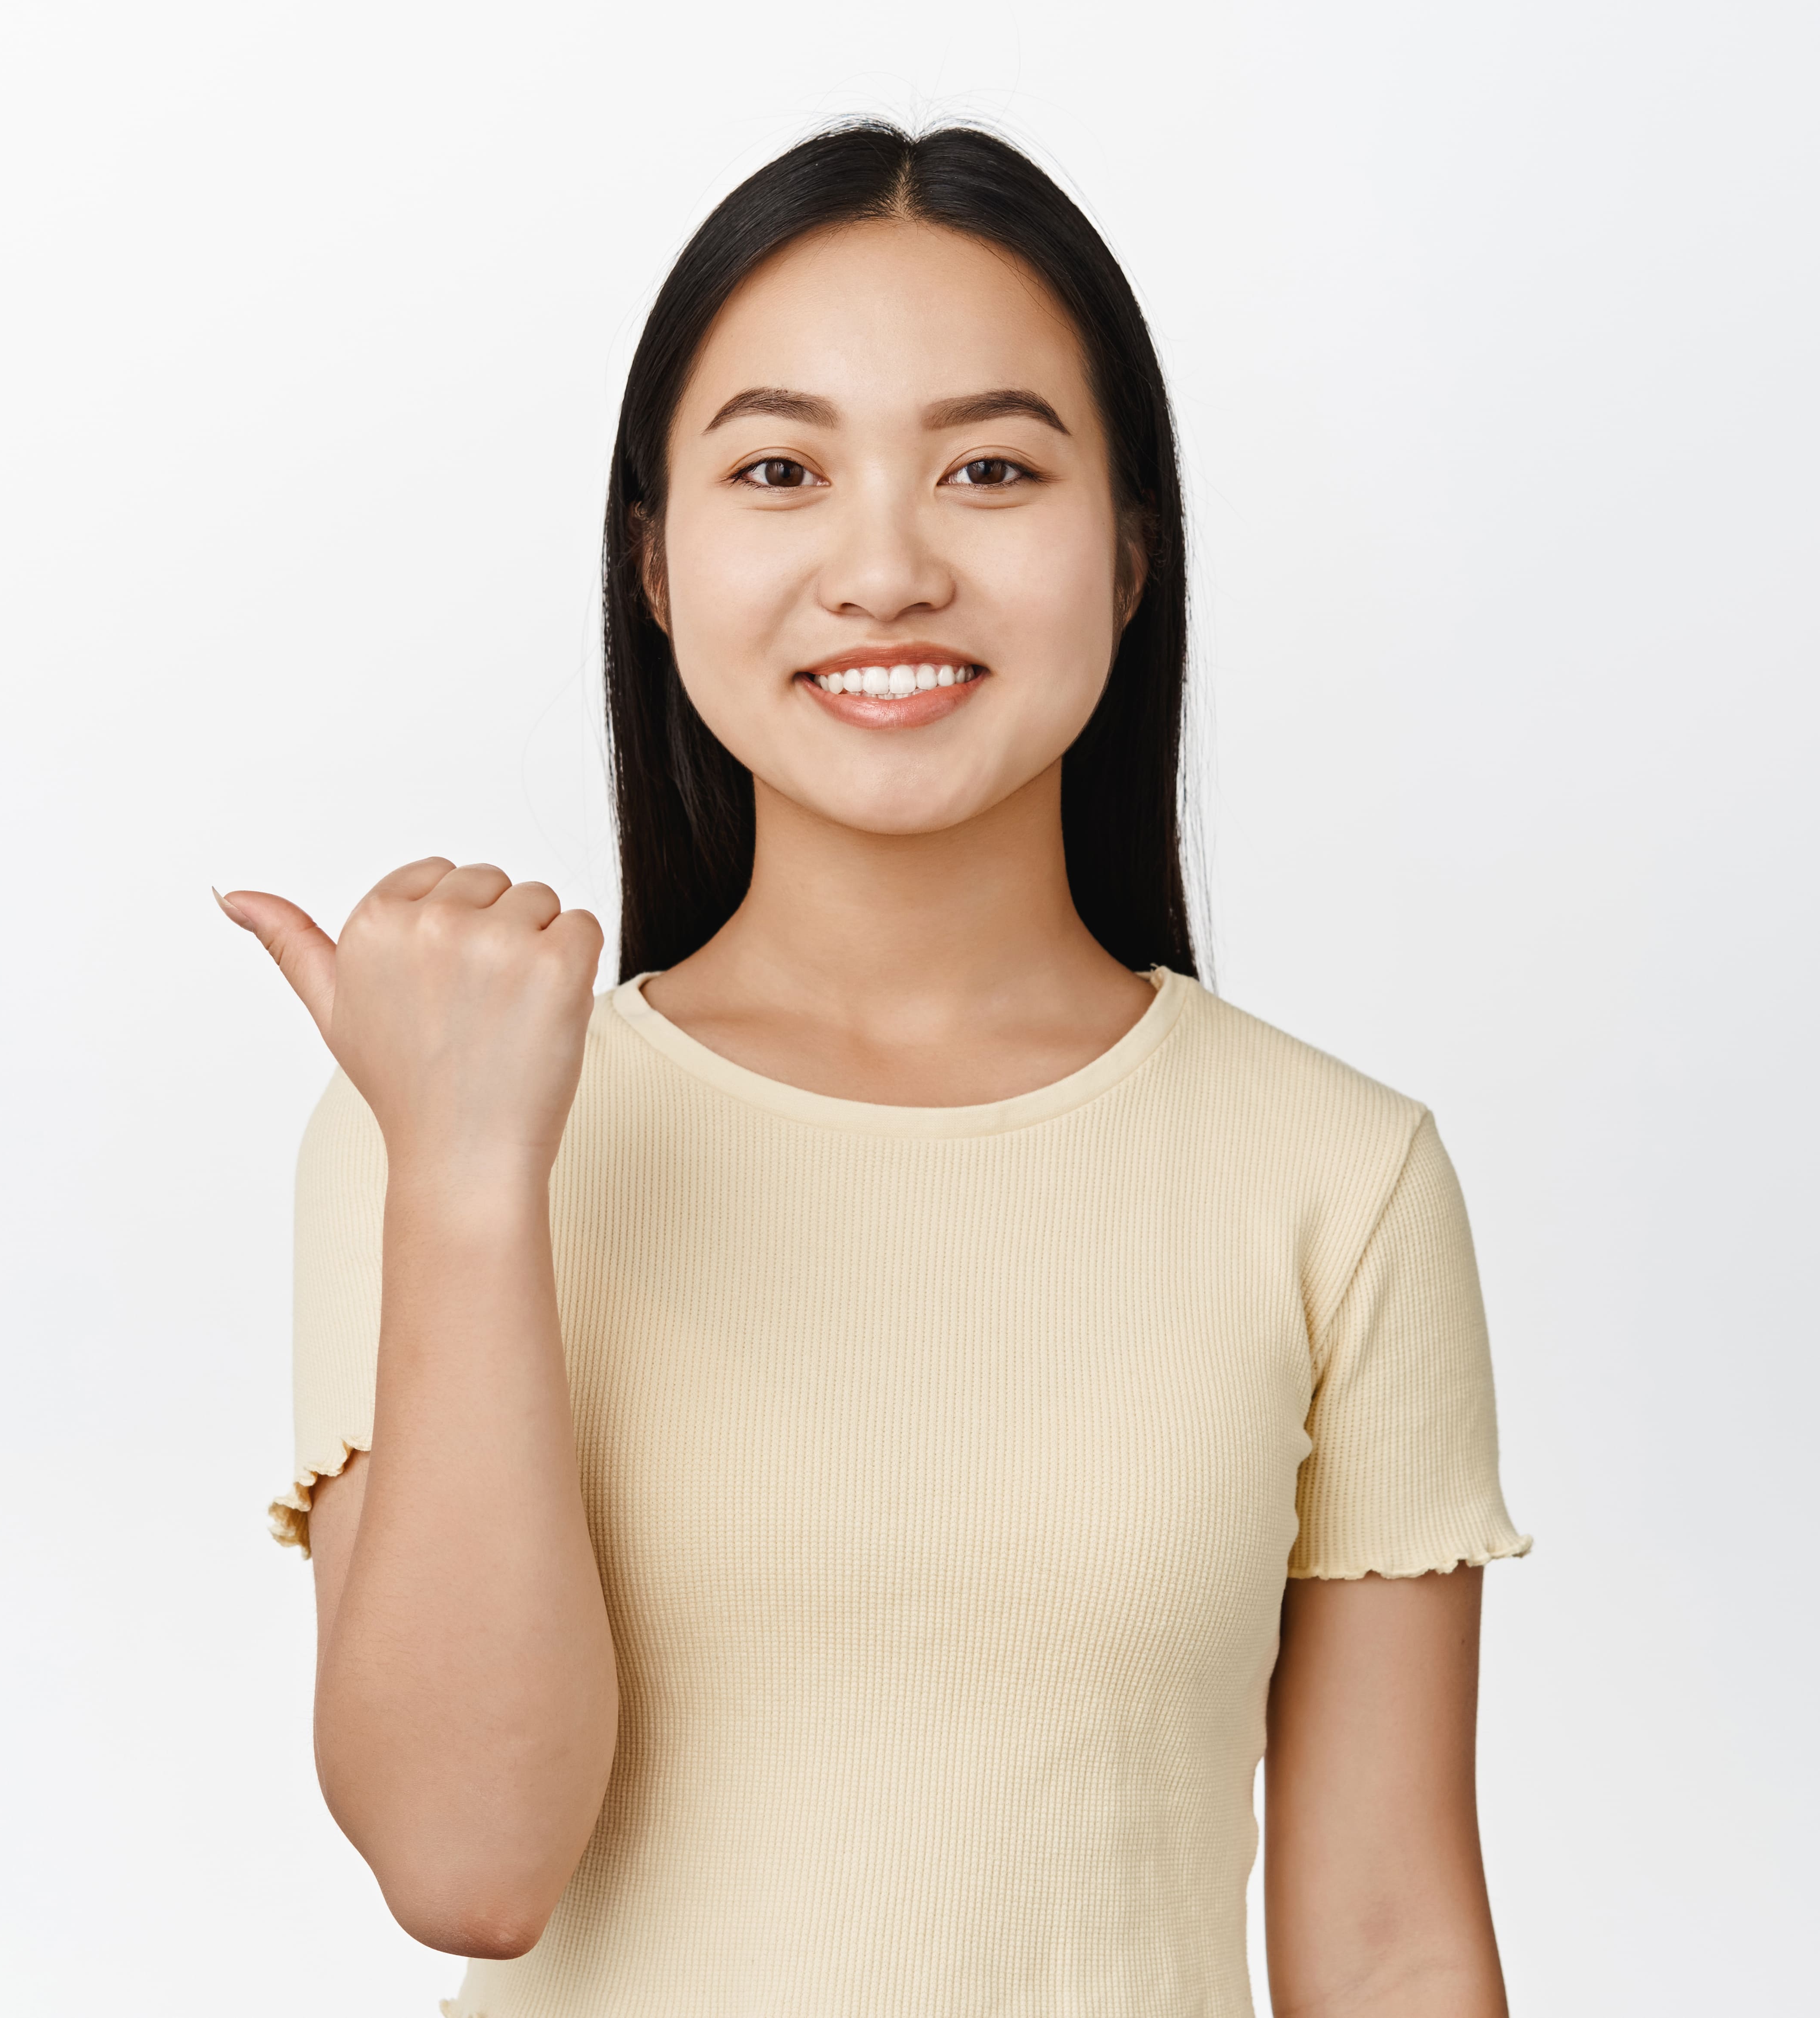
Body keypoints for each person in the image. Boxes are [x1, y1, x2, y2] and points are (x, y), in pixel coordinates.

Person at [219, 120, 1527, 2018]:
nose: (889, 565)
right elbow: (468, 1865)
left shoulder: (1336, 1178)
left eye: (992, 468)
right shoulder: (440, 1129)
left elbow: (1393, 1942)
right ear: (655, 566)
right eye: (781, 470)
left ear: (1132, 547)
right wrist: (475, 1178)